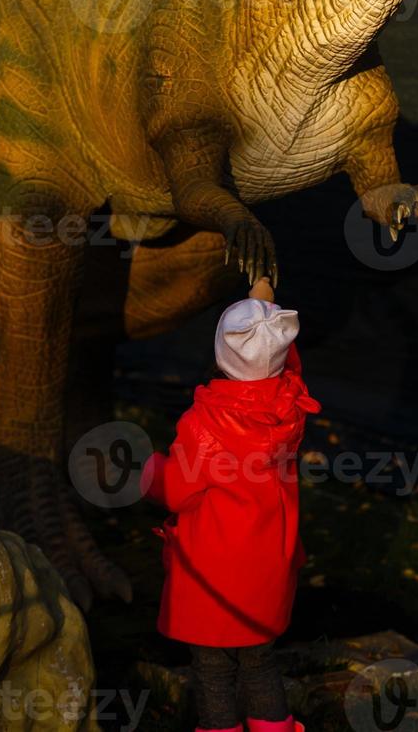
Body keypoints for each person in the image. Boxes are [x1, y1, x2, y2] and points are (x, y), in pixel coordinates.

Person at [140, 277, 320, 732]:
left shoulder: (205, 424)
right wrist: (264, 301)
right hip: (265, 574)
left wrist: (146, 470)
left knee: (214, 672)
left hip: (213, 581)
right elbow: (283, 356)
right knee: (260, 665)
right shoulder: (288, 406)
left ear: (222, 354)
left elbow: (178, 491)